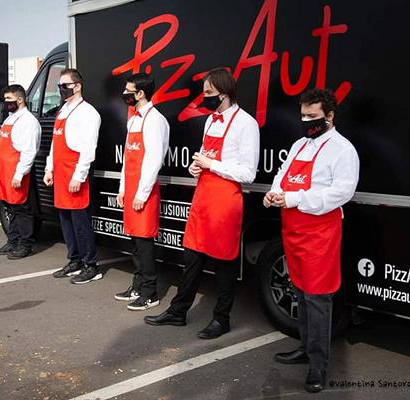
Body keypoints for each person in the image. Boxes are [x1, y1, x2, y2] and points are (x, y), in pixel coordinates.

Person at [145, 68, 260, 339]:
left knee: (224, 263)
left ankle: (221, 318)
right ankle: (179, 311)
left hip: (226, 201)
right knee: (192, 256)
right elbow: (206, 157)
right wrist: (196, 167)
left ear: (225, 93)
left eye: (209, 93)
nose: (204, 98)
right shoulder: (210, 121)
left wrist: (213, 165)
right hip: (203, 196)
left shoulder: (246, 124)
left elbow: (248, 173)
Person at [263, 88, 359, 393]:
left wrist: (293, 199)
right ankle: (305, 347)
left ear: (329, 116)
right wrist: (275, 192)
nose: (306, 122)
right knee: (300, 292)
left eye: (313, 117)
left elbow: (340, 193)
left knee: (317, 298)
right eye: (303, 116)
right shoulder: (298, 145)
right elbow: (282, 174)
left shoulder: (343, 150)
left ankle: (318, 365)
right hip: (293, 232)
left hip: (320, 233)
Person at [114, 73, 169, 311]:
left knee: (144, 242)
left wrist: (141, 193)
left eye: (129, 90)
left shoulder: (155, 120)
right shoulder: (134, 120)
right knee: (134, 240)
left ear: (140, 93)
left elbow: (154, 159)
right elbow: (128, 159)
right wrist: (123, 188)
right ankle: (137, 285)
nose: (125, 94)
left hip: (144, 192)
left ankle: (150, 291)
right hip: (132, 190)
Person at [44, 68, 101, 284]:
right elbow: (54, 144)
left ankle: (90, 265)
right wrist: (50, 169)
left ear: (77, 86)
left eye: (65, 85)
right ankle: (74, 259)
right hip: (60, 173)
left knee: (80, 221)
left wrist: (79, 176)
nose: (61, 89)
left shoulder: (88, 113)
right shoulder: (62, 111)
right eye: (59, 86)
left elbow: (88, 148)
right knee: (65, 220)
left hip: (76, 173)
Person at [0, 84, 41, 259]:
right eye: (5, 100)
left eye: (9, 100)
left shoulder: (28, 121)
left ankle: (25, 244)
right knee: (9, 207)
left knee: (21, 209)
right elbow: (0, 146)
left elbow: (28, 151)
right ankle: (13, 240)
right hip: (4, 172)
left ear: (20, 99)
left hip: (16, 172)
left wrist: (20, 174)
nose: (6, 103)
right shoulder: (9, 119)